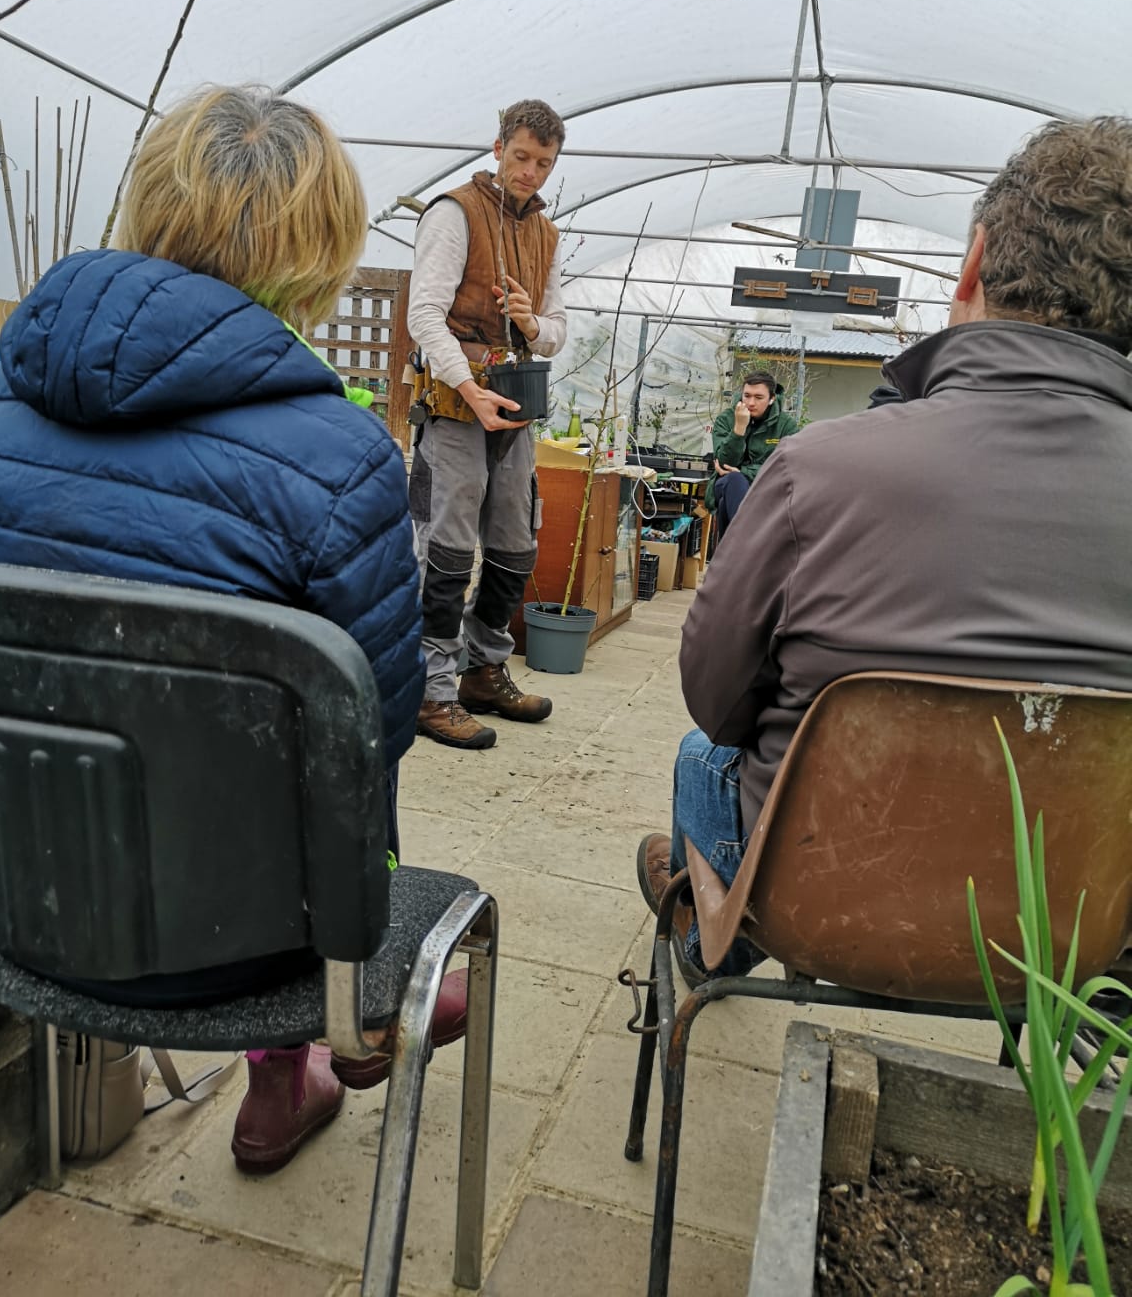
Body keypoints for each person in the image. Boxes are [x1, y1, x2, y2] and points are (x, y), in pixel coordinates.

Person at [0, 85, 465, 1174]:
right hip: (240, 952)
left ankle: (294, 1068)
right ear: (319, 253)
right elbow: (382, 735)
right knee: (336, 734)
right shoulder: (342, 456)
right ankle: (315, 1038)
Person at [637, 116, 1132, 983]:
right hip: (1081, 935)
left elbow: (715, 698)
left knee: (702, 753)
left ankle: (714, 941)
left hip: (819, 907)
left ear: (973, 263)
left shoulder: (817, 466)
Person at [407, 98, 568, 750]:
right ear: (498, 148)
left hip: (515, 406)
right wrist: (469, 388)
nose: (531, 172)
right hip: (455, 402)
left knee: (514, 544)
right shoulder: (454, 213)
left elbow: (556, 334)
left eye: (544, 164)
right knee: (446, 550)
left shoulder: (547, 236)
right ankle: (430, 689)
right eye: (523, 157)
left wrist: (530, 322)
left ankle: (482, 669)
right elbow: (424, 316)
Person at [704, 371, 798, 537]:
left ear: (772, 399)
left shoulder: (786, 426)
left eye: (758, 397)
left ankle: (735, 548)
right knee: (734, 480)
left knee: (731, 500)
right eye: (747, 396)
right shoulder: (726, 419)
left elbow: (787, 467)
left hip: (767, 489)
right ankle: (745, 539)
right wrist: (739, 429)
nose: (751, 402)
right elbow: (724, 463)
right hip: (726, 483)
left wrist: (745, 472)